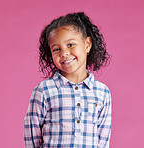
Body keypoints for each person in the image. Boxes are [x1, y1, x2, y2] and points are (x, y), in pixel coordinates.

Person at [24, 12, 112, 148]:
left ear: (87, 44)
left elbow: (103, 140)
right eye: (56, 49)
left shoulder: (102, 92)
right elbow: (32, 135)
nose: (64, 53)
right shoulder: (44, 90)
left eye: (70, 45)